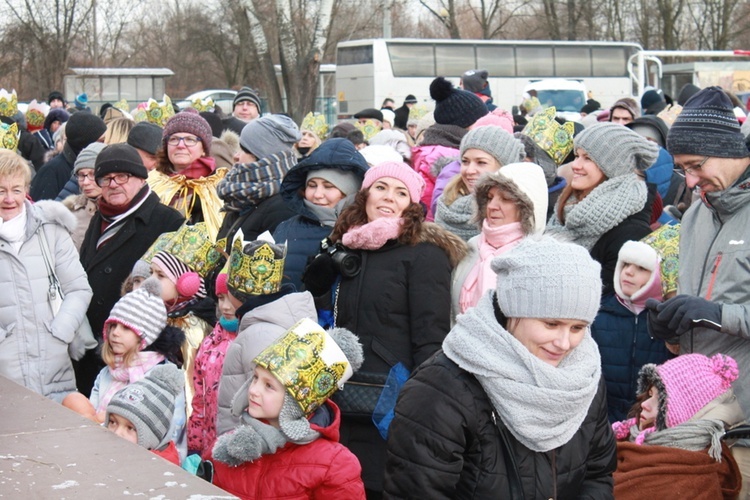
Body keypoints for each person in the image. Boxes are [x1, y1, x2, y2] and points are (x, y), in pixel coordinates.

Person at [384, 236, 616, 498]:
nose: (564, 343)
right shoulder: (441, 389)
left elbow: (597, 474)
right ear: (513, 310)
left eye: (577, 328)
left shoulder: (584, 378)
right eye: (551, 324)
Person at [303, 161, 467, 496]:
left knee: (373, 487)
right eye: (381, 187)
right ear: (365, 194)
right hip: (337, 393)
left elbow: (430, 337)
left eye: (401, 192)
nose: (389, 198)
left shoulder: (424, 254)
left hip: (389, 401)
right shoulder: (344, 242)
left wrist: (422, 407)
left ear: (413, 203)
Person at [645, 86, 750, 497]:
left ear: (725, 149)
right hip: (695, 413)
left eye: (695, 165)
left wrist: (713, 313)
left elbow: (715, 307)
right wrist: (671, 322)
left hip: (743, 421)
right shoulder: (696, 215)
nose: (689, 182)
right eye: (681, 170)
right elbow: (694, 296)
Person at [211, 318, 366, 499]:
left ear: (296, 402)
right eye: (255, 378)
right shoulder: (234, 445)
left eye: (269, 386)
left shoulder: (334, 464)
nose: (253, 390)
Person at [78, 143, 185, 397]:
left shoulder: (168, 221)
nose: (113, 184)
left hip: (136, 353)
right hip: (97, 344)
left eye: (122, 176)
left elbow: (175, 290)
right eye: (105, 178)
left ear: (140, 178)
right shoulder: (100, 217)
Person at [0, 150, 92, 402]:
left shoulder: (50, 229)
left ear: (27, 189)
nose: (9, 199)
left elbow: (78, 288)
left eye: (16, 190)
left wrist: (60, 331)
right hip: (5, 370)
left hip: (54, 365)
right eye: (1, 190)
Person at [547, 122, 659, 295]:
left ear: (613, 167)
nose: (575, 165)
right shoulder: (566, 209)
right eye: (577, 156)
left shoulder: (630, 233)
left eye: (588, 158)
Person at [611, 354, 742, 499]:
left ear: (686, 412)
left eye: (661, 401)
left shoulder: (692, 480)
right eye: (650, 394)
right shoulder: (628, 438)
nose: (644, 404)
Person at [451, 163, 548, 323]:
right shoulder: (473, 246)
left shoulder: (539, 260)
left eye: (505, 199)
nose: (492, 206)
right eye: (489, 198)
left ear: (528, 207)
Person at [591, 240, 673, 422]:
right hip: (602, 420)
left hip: (650, 422)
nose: (628, 271)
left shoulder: (666, 320)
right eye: (626, 264)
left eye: (642, 268)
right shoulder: (599, 314)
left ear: (657, 276)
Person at [273, 137, 368, 290]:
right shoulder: (285, 228)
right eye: (312, 185)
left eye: (328, 186)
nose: (317, 194)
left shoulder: (367, 232)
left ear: (350, 191)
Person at [216, 114, 300, 245]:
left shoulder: (283, 207)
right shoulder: (243, 195)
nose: (236, 156)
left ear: (262, 158)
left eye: (243, 150)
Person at [434, 125, 525, 241]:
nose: (470, 170)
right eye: (465, 161)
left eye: (481, 162)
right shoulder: (447, 202)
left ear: (505, 167)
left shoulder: (518, 211)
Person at [187, 269, 241, 458]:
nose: (225, 306)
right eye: (220, 298)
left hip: (238, 443)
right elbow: (199, 397)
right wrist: (195, 442)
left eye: (231, 298)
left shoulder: (249, 342)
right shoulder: (210, 343)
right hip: (209, 443)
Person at [149, 109, 227, 239]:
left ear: (203, 149)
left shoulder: (220, 185)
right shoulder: (152, 181)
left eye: (190, 140)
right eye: (174, 139)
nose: (180, 145)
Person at [106, 364, 186, 465]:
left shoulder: (159, 468)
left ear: (153, 437)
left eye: (131, 428)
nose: (117, 433)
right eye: (112, 422)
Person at [30, 111, 107, 201]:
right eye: (101, 141)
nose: (106, 144)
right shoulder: (52, 171)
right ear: (86, 144)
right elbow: (42, 211)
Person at [61, 142, 106, 251]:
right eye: (81, 175)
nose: (85, 182)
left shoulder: (123, 212)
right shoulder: (68, 212)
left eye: (93, 174)